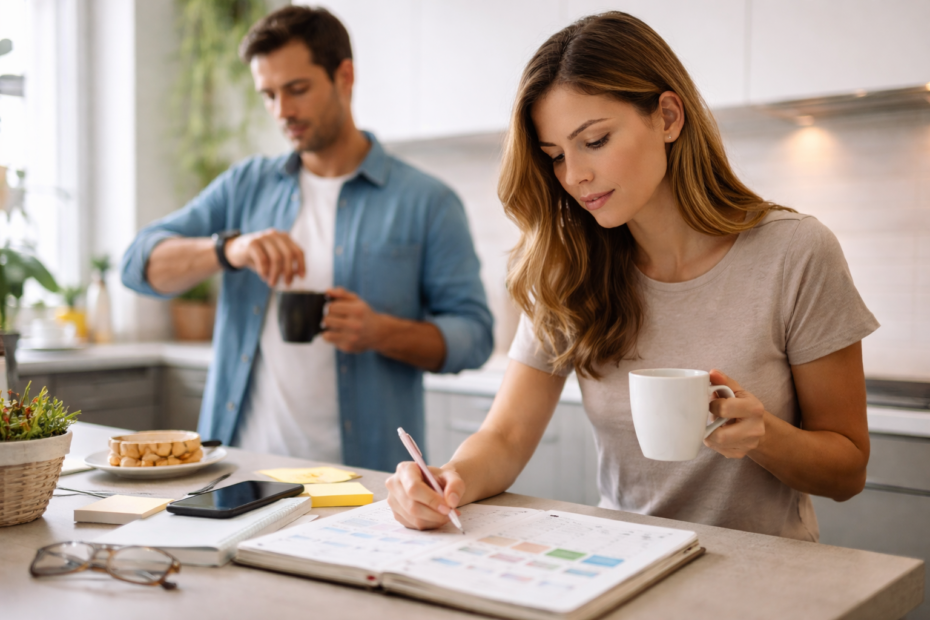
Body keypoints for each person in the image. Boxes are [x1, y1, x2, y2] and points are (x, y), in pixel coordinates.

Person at [386, 11, 878, 541]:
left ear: (667, 117)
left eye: (594, 141)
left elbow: (847, 471)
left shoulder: (795, 252)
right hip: (625, 565)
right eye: (555, 156)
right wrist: (447, 480)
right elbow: (505, 437)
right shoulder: (568, 268)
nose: (574, 176)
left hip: (763, 579)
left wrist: (764, 437)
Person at [121, 6, 493, 472]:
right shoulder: (245, 186)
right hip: (238, 472)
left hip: (366, 484)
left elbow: (475, 336)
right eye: (269, 95)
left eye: (296, 90)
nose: (283, 111)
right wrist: (229, 249)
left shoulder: (428, 201)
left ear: (344, 76)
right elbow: (137, 265)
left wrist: (380, 331)